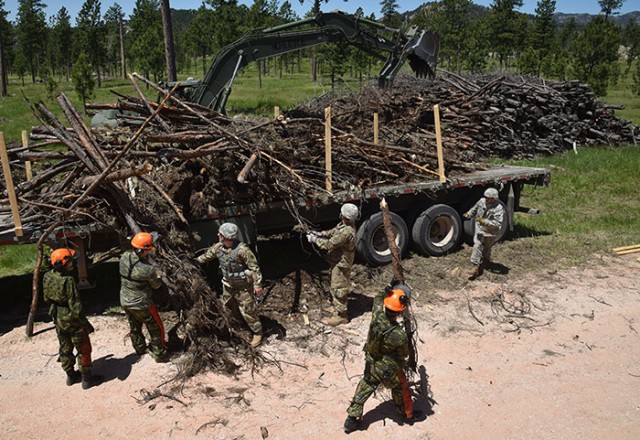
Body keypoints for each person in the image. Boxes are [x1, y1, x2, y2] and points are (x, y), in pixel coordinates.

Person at [343, 283, 415, 433]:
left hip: (370, 361)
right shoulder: (399, 335)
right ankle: (405, 414)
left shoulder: (376, 315)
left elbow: (377, 299)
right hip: (386, 367)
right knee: (400, 387)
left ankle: (352, 419)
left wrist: (386, 291)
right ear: (400, 311)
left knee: (367, 384)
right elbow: (403, 355)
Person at [196, 222, 264, 348]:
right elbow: (206, 257)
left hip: (243, 286)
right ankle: (237, 326)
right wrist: (192, 262)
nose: (218, 235)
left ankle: (257, 332)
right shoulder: (218, 248)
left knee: (248, 310)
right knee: (228, 307)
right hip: (227, 285)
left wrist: (257, 286)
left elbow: (254, 268)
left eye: (220, 234)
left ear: (225, 236)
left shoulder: (242, 250)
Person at [43, 248, 101, 389]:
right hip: (71, 318)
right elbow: (75, 305)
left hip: (58, 317)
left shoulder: (47, 276)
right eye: (70, 261)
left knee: (65, 347)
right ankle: (86, 379)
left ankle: (70, 375)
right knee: (83, 348)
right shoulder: (68, 280)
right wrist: (84, 322)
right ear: (63, 264)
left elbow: (46, 298)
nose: (72, 263)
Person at [119, 231, 169, 362]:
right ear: (144, 250)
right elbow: (156, 286)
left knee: (134, 326)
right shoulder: (147, 269)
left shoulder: (124, 257)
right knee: (155, 327)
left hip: (125, 300)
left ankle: (140, 348)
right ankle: (159, 354)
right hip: (140, 303)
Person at [307, 203, 358, 326]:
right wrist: (321, 233)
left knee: (338, 287)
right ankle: (338, 304)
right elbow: (334, 231)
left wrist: (314, 240)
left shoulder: (346, 232)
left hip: (341, 263)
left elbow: (329, 244)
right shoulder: (345, 225)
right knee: (336, 283)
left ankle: (342, 315)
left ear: (343, 215)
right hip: (337, 260)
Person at [463, 187, 505, 280]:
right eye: (485, 197)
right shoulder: (481, 201)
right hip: (480, 229)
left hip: (491, 231)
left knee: (487, 247)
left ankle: (486, 261)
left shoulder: (499, 208)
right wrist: (468, 214)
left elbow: (497, 223)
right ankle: (475, 266)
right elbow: (474, 208)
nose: (486, 199)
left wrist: (484, 221)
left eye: (488, 198)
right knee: (477, 245)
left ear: (493, 199)